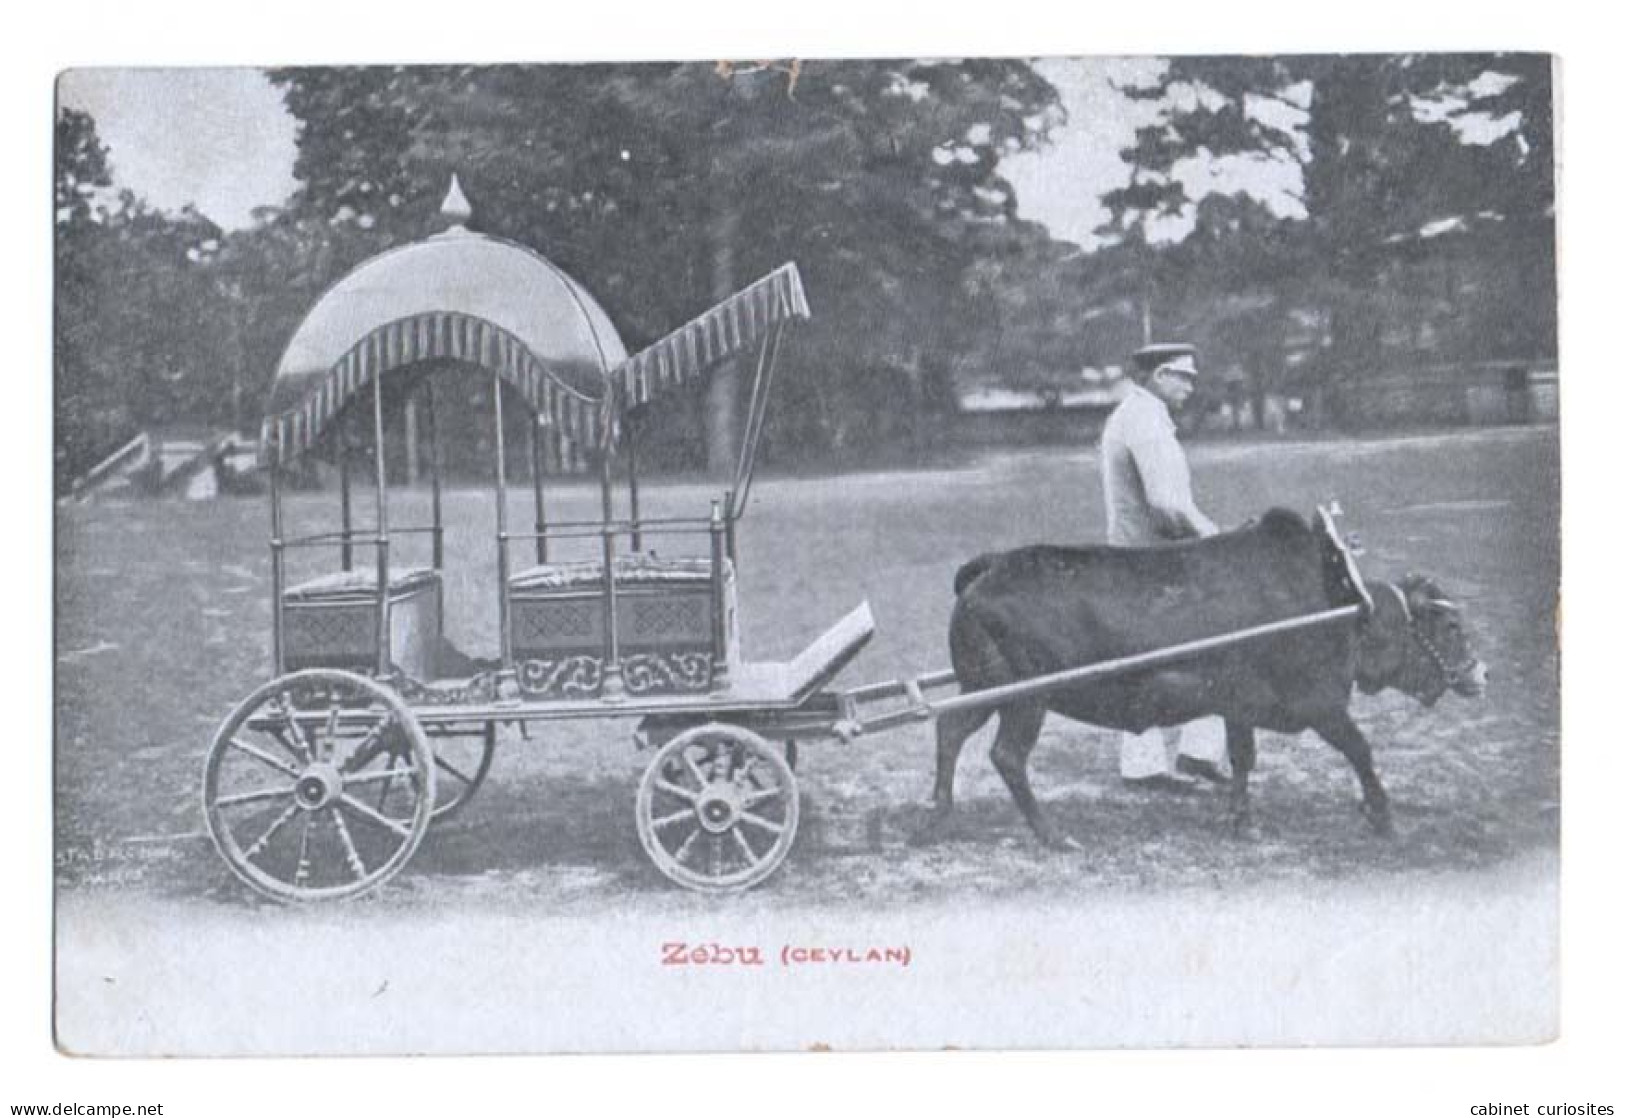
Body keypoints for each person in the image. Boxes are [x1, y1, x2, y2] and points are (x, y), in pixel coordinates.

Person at [1098, 342, 1229, 792]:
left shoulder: (1142, 416)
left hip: (1145, 560)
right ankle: (1169, 759)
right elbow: (1167, 508)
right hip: (1150, 563)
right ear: (1157, 377)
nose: (1191, 384)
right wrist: (1218, 540)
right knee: (1218, 638)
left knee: (1177, 652)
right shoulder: (1145, 420)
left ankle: (1190, 753)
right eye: (1182, 375)